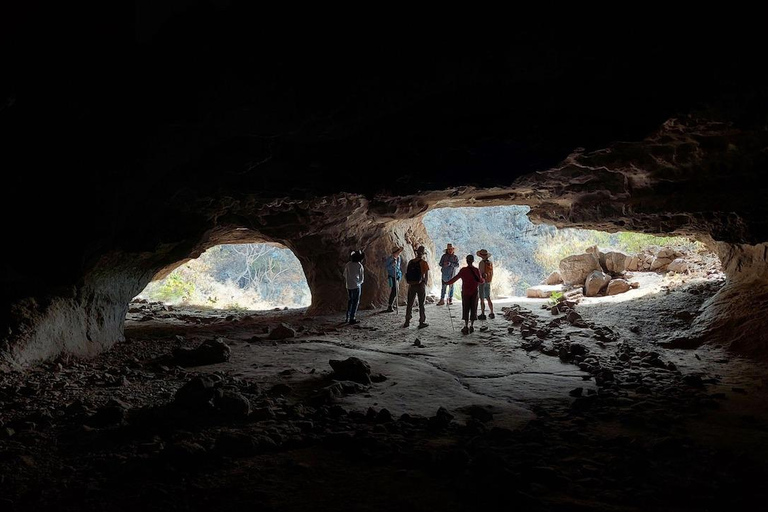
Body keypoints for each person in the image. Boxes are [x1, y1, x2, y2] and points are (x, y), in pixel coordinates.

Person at [444, 254, 484, 334]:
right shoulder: (476, 270)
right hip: (474, 292)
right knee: (473, 308)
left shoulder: (463, 270)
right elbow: (480, 281)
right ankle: (472, 326)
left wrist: (446, 283)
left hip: (465, 292)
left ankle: (466, 326)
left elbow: (455, 278)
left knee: (465, 308)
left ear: (466, 260)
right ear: (472, 261)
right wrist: (484, 278)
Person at [403, 245, 430, 329]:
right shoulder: (424, 263)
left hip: (412, 284)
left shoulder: (411, 262)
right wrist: (425, 282)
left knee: (410, 303)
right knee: (421, 303)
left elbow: (407, 273)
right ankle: (421, 321)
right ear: (422, 254)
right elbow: (426, 276)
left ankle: (407, 321)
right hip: (420, 284)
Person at [343, 250, 365, 324]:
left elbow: (344, 274)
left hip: (348, 285)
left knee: (350, 301)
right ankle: (352, 318)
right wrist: (358, 283)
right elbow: (362, 278)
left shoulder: (348, 264)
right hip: (356, 286)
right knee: (355, 302)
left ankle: (347, 317)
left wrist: (348, 281)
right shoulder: (359, 265)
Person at [476, 249, 495, 320]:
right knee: (488, 297)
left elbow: (480, 273)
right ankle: (492, 312)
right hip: (488, 282)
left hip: (482, 282)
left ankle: (483, 314)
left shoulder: (481, 263)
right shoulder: (490, 263)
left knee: (481, 299)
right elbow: (492, 273)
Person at [385, 246, 403, 312]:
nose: (398, 253)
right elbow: (387, 267)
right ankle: (390, 305)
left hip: (397, 276)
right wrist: (392, 264)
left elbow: (398, 267)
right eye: (397, 252)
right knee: (394, 290)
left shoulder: (399, 258)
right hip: (392, 276)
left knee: (396, 290)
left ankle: (392, 304)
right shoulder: (390, 259)